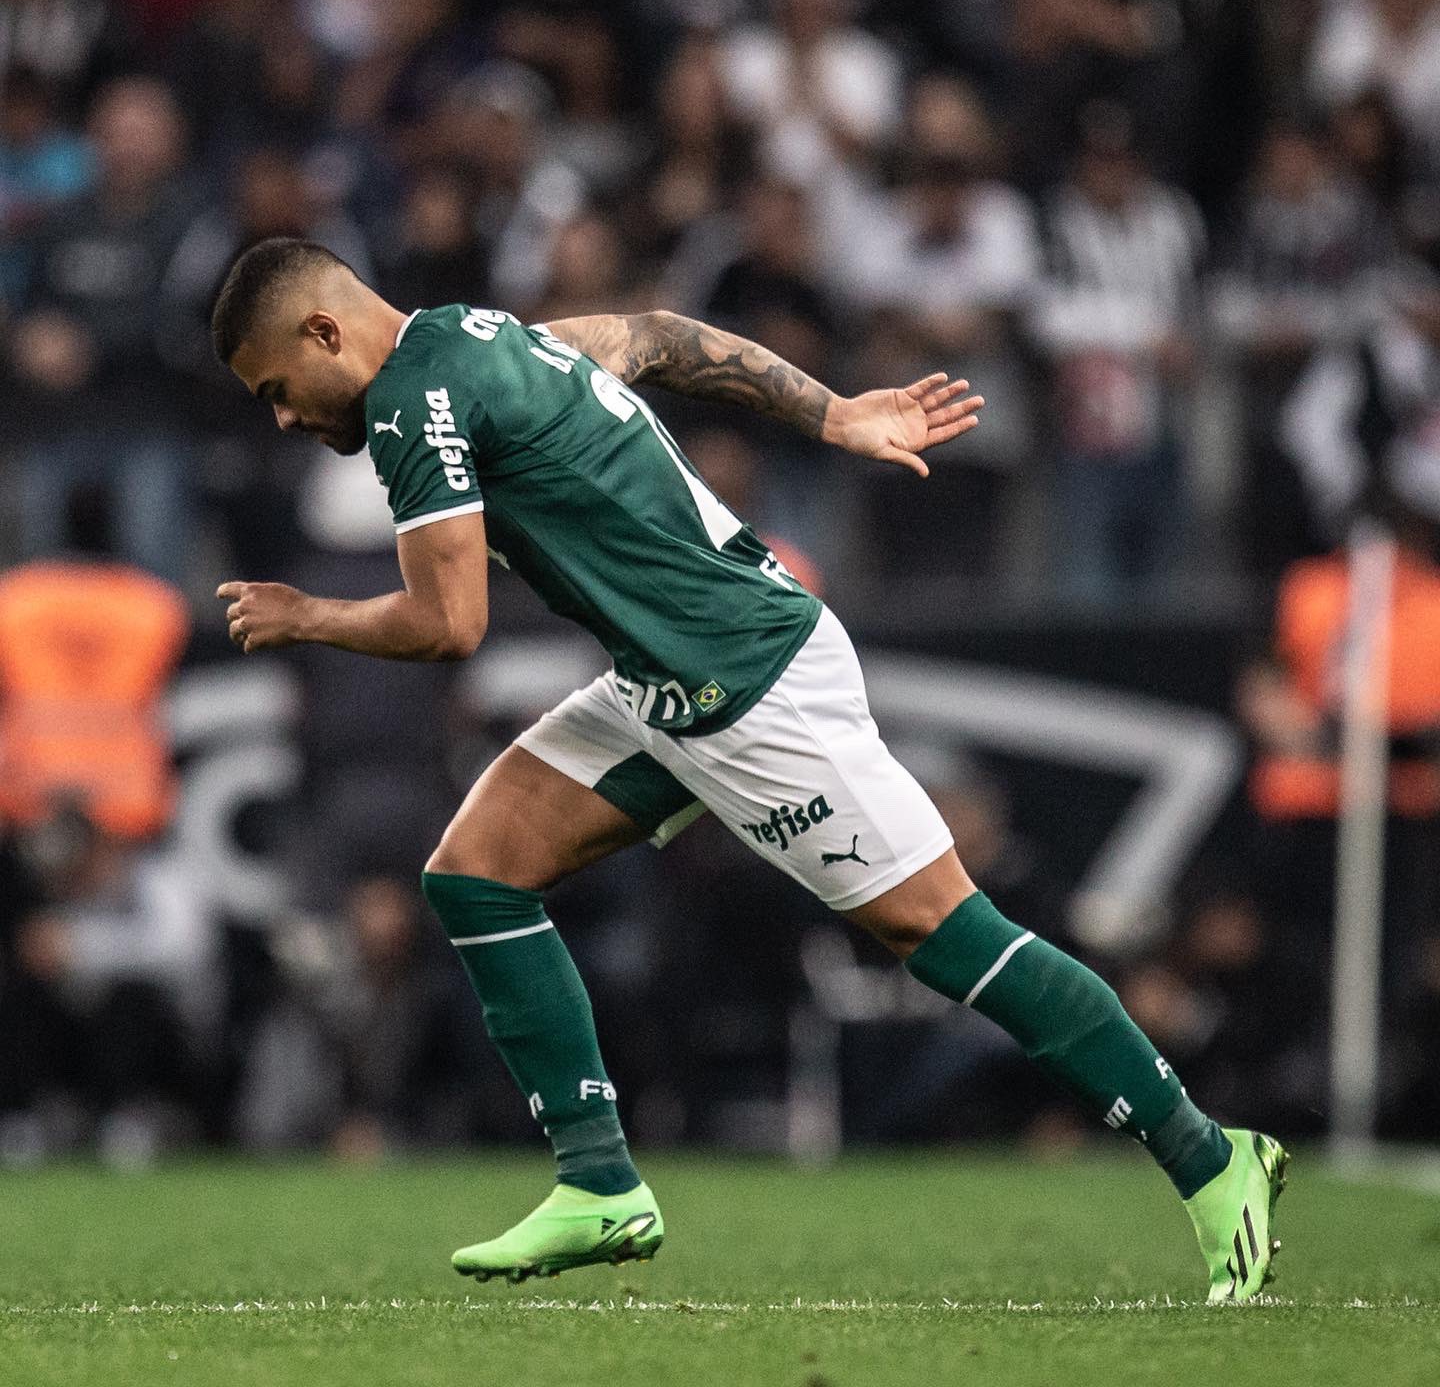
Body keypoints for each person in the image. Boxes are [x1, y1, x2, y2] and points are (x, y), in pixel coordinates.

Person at [208, 236, 1286, 1301]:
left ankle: (1210, 1157)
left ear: (324, 331)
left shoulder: (410, 406)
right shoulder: (484, 336)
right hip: (667, 679)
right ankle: (598, 1184)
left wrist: (309, 616)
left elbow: (450, 625)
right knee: (476, 873)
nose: (285, 418)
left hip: (749, 686)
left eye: (277, 389)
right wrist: (836, 413)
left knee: (945, 932)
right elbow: (660, 338)